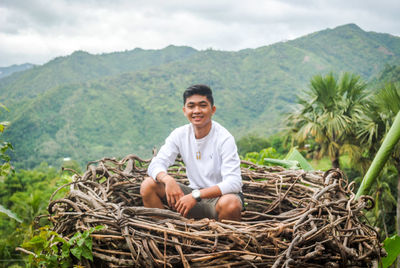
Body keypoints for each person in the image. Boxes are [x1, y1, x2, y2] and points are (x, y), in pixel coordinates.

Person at [140, 84, 243, 221]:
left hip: (219, 200)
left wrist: (196, 195)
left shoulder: (224, 138)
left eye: (202, 105)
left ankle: (222, 239)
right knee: (148, 185)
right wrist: (168, 179)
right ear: (184, 110)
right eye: (191, 106)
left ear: (212, 110)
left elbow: (234, 183)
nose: (197, 111)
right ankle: (165, 234)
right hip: (191, 198)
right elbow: (156, 164)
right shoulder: (180, 134)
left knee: (231, 203)